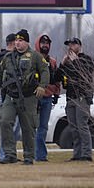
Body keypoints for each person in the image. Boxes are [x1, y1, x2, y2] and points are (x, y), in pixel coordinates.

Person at [0, 29, 50, 165]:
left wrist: (42, 86)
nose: (17, 43)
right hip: (11, 96)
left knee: (28, 128)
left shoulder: (35, 56)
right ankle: (9, 154)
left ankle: (29, 156)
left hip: (28, 97)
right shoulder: (8, 58)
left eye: (21, 40)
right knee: (5, 121)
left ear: (27, 42)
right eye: (16, 40)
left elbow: (45, 71)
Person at [54, 37, 94, 162]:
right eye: (69, 45)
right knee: (73, 127)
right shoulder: (68, 63)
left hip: (82, 96)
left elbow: (86, 73)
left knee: (82, 125)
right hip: (70, 97)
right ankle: (77, 154)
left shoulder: (86, 59)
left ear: (79, 46)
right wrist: (62, 64)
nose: (71, 47)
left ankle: (87, 154)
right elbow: (56, 78)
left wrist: (76, 61)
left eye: (73, 44)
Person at [0, 33, 21, 163]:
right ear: (12, 43)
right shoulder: (4, 57)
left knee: (14, 129)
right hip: (6, 97)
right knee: (7, 127)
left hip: (16, 96)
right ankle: (4, 154)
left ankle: (10, 153)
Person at [34, 34, 60, 162]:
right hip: (35, 97)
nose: (45, 45)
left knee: (43, 127)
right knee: (33, 126)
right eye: (43, 43)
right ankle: (33, 153)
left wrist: (56, 93)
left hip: (48, 97)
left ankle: (41, 155)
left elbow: (56, 80)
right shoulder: (32, 59)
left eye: (47, 43)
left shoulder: (53, 62)